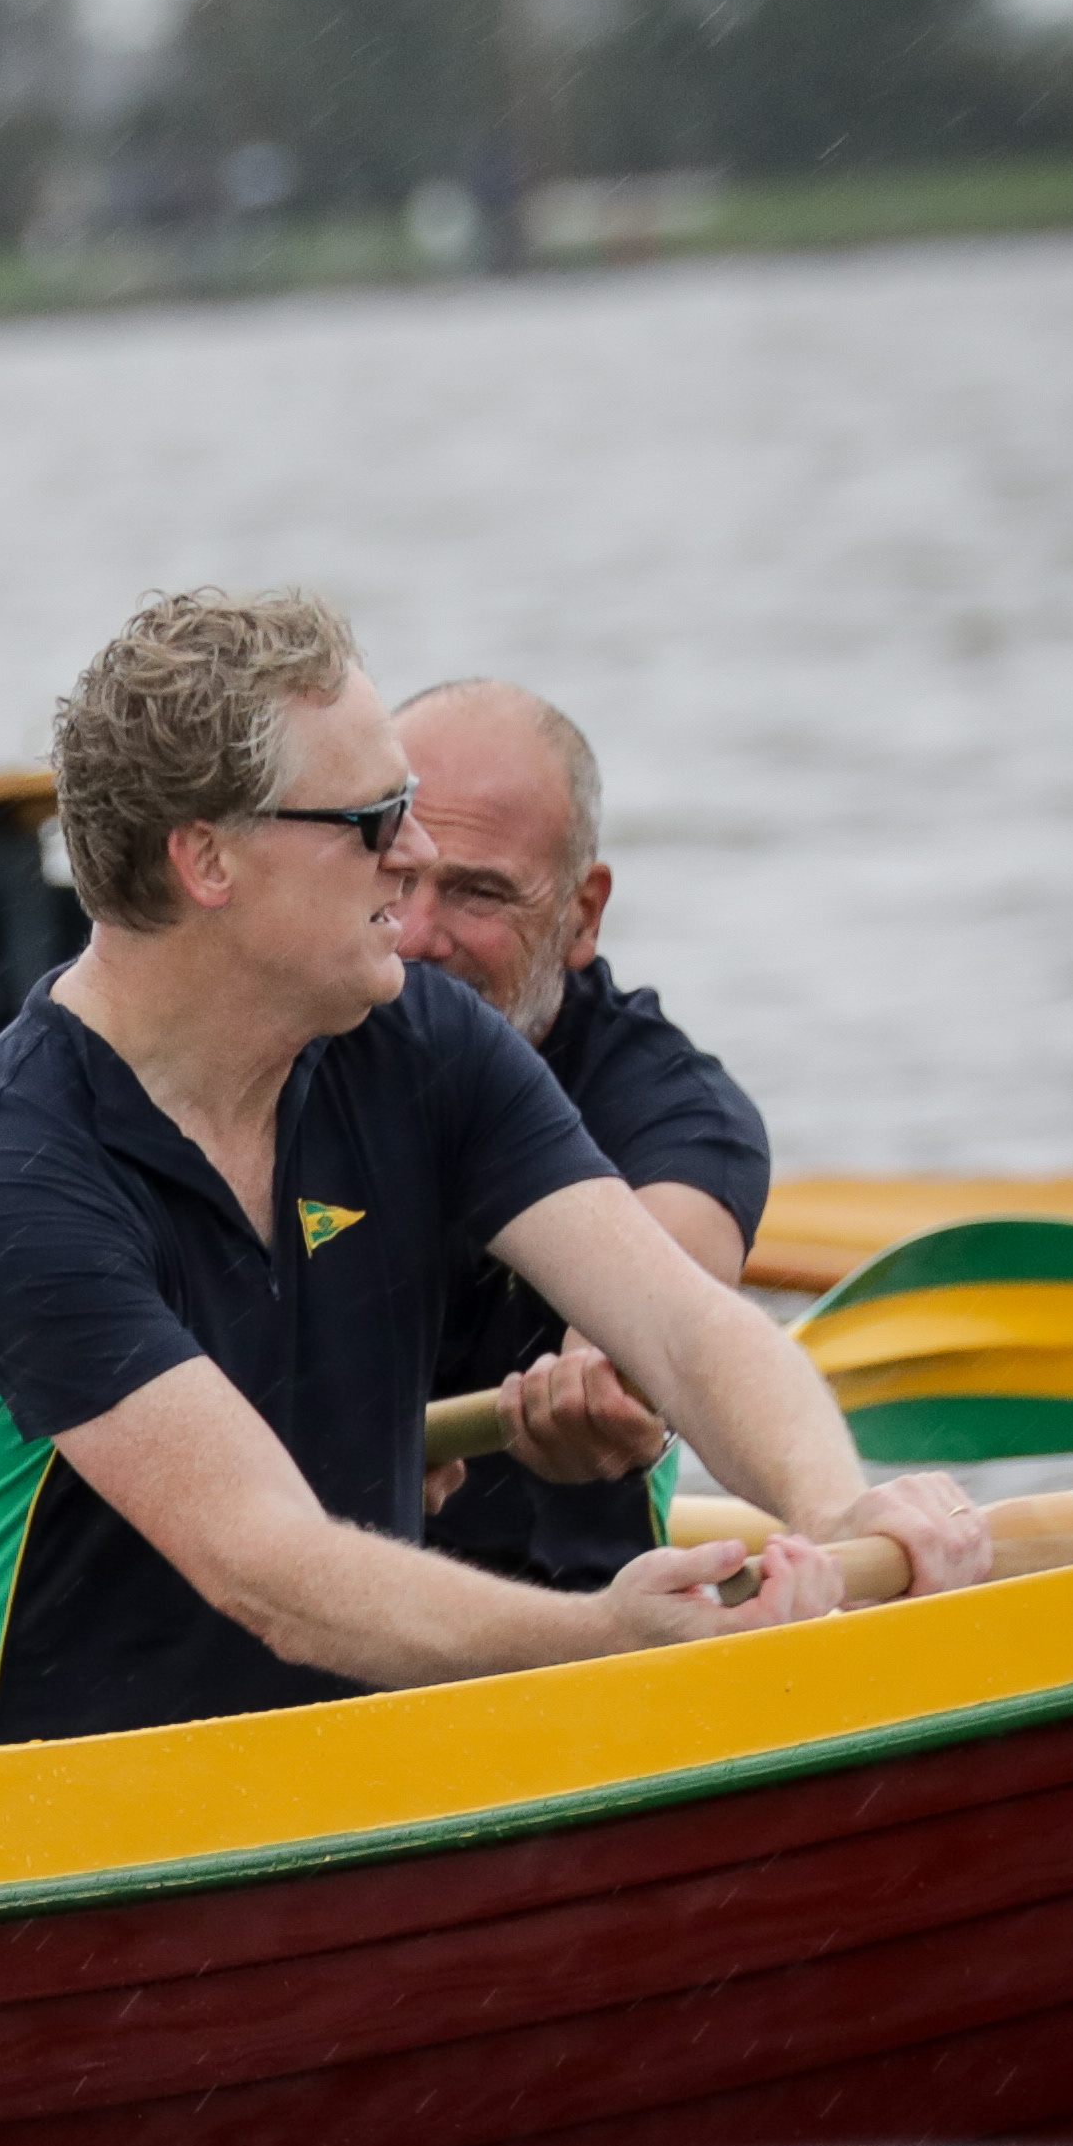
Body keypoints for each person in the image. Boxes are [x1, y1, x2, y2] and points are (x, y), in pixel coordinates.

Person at [0, 589, 989, 1758]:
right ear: (207, 858)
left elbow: (686, 1328)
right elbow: (272, 1569)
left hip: (327, 1791)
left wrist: (838, 1509)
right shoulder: (13, 1171)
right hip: (14, 1829)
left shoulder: (420, 1044)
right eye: (375, 817)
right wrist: (604, 1637)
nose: (417, 852)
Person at [382, 676, 776, 1594]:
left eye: (477, 895)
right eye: (397, 881)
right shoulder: (273, 1045)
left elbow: (674, 1288)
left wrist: (618, 1365)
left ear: (581, 914)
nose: (415, 938)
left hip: (575, 1637)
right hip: (290, 1620)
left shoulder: (670, 1107)